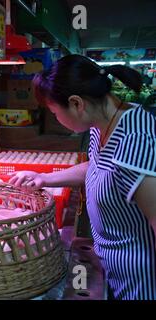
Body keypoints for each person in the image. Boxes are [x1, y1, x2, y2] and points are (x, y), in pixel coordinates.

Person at [9, 54, 156, 300]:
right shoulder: (104, 126)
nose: (56, 119)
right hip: (115, 270)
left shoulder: (136, 141)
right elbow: (98, 166)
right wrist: (44, 178)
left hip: (142, 282)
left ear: (76, 103)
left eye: (55, 112)